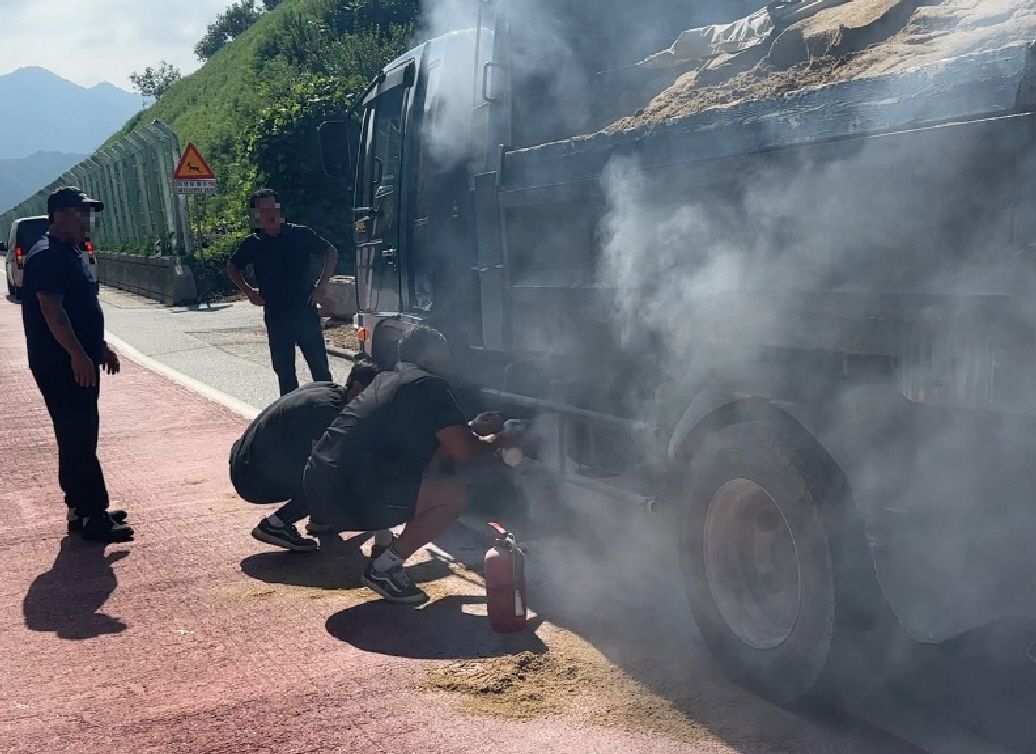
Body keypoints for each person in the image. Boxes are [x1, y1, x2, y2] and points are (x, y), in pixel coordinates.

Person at [304, 326, 520, 604]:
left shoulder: (388, 379)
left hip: (318, 489)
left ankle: (383, 547)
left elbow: (433, 442)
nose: (451, 360)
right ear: (428, 356)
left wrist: (471, 428)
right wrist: (503, 439)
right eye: (445, 353)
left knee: (416, 476)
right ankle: (384, 568)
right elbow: (465, 452)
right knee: (453, 496)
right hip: (346, 497)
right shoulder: (430, 386)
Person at [21, 186, 132, 542]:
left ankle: (79, 508)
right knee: (78, 436)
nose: (86, 219)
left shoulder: (68, 252)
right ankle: (94, 515)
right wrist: (78, 355)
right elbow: (52, 310)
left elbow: (81, 308)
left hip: (74, 359)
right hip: (61, 365)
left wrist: (99, 346)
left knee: (77, 435)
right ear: (57, 215)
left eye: (87, 213)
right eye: (79, 212)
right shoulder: (46, 255)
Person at [230, 361, 380, 552]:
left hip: (245, 461)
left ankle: (319, 519)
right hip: (252, 479)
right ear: (358, 389)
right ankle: (276, 524)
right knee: (336, 475)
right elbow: (322, 466)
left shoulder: (329, 389)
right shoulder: (328, 412)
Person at [227, 188, 338, 395]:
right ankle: (290, 412)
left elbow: (330, 252)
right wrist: (249, 292)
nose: (269, 214)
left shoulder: (300, 234)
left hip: (304, 310)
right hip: (276, 315)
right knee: (285, 372)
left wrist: (321, 286)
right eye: (263, 210)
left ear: (278, 208)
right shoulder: (254, 243)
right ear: (256, 214)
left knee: (320, 368)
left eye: (272, 208)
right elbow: (232, 267)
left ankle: (329, 406)